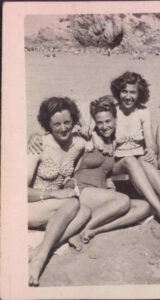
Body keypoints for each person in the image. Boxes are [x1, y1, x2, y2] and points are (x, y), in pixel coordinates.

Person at [79, 72, 160, 237]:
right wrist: (87, 127)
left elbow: (150, 142)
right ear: (118, 92)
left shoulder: (143, 112)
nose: (128, 96)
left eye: (132, 92)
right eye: (124, 92)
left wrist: (151, 150)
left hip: (141, 160)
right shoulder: (112, 110)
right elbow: (90, 108)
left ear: (139, 93)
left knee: (145, 159)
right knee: (130, 160)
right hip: (118, 163)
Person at [69, 95, 151, 247]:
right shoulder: (85, 137)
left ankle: (96, 229)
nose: (104, 126)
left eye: (108, 121)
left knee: (144, 207)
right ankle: (80, 230)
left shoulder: (115, 141)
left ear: (115, 120)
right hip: (83, 191)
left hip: (101, 196)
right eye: (99, 122)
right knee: (123, 200)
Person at [28, 97, 91, 286]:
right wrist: (52, 194)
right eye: (57, 124)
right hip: (31, 206)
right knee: (73, 204)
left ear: (74, 122)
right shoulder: (39, 146)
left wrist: (69, 185)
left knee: (86, 211)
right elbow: (17, 192)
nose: (63, 128)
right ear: (48, 124)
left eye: (67, 123)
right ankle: (40, 260)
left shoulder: (78, 145)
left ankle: (38, 250)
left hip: (56, 208)